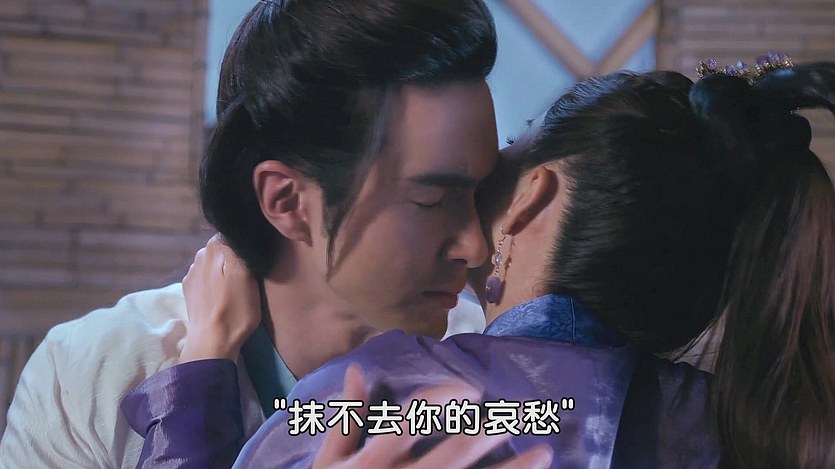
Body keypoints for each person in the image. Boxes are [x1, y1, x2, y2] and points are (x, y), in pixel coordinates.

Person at [124, 61, 835, 468]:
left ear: (531, 198)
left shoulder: (383, 396)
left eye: (501, 160)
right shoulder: (749, 431)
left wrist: (202, 366)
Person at [0, 1, 501, 467]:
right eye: (432, 200)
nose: (476, 247)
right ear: (287, 201)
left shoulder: (487, 362)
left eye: (481, 196)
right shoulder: (99, 373)